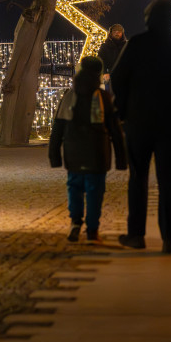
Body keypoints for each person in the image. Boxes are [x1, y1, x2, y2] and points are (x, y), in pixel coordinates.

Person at [110, 0, 171, 254]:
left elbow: (118, 79)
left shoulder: (137, 45)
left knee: (138, 179)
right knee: (167, 182)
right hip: (170, 125)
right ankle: (169, 238)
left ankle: (136, 234)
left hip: (139, 122)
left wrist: (123, 110)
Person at [49, 56, 127, 243]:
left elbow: (58, 128)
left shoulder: (69, 96)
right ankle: (92, 230)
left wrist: (54, 156)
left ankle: (75, 222)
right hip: (97, 151)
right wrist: (122, 159)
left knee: (74, 187)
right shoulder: (103, 97)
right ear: (98, 73)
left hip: (73, 151)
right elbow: (116, 131)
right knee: (95, 190)